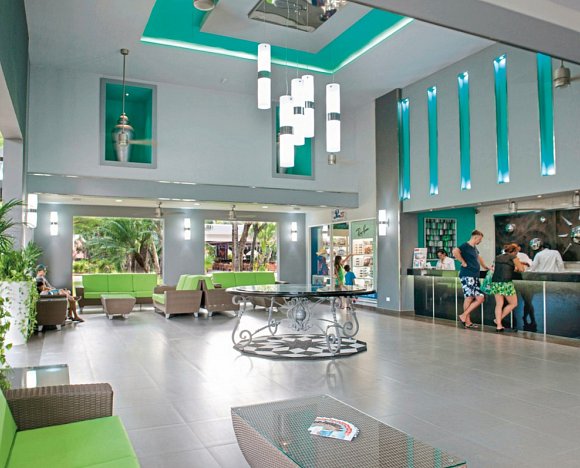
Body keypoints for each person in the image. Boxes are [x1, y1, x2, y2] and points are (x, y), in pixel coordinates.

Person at [452, 230, 490, 329]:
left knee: (480, 298)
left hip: (474, 275)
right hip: (467, 275)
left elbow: (479, 257)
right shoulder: (465, 246)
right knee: (469, 297)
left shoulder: (474, 248)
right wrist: (463, 262)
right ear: (475, 237)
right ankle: (467, 321)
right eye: (480, 239)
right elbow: (455, 251)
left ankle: (464, 316)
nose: (480, 241)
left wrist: (485, 266)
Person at [490, 244, 525, 332]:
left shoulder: (497, 257)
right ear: (514, 251)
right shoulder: (513, 257)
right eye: (517, 252)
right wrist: (517, 267)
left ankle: (498, 325)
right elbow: (521, 269)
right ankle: (498, 320)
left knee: (499, 304)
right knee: (513, 303)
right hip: (506, 283)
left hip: (495, 282)